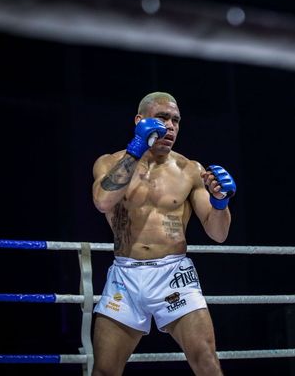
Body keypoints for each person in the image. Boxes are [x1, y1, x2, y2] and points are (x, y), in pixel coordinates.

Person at [91, 91, 236, 376]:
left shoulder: (190, 170)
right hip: (125, 276)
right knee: (105, 371)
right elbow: (102, 202)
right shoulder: (108, 163)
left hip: (174, 274)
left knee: (207, 362)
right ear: (140, 121)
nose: (170, 126)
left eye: (176, 120)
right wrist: (136, 148)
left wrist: (221, 203)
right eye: (162, 118)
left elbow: (218, 234)